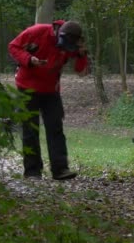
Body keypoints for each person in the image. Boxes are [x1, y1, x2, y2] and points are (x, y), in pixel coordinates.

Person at [8, 20, 89, 180]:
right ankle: (32, 171)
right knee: (30, 129)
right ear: (60, 34)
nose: (65, 49)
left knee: (55, 128)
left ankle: (60, 170)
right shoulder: (37, 32)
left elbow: (81, 71)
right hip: (27, 86)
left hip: (51, 90)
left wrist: (81, 54)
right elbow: (13, 46)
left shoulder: (73, 43)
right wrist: (29, 59)